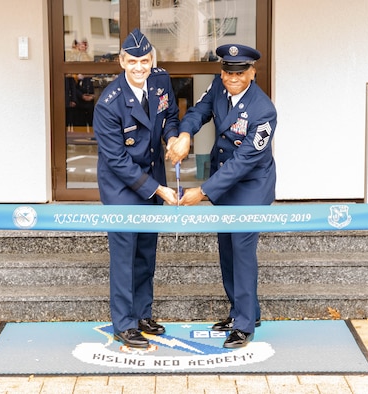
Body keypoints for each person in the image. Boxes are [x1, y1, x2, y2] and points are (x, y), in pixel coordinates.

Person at [167, 44, 277, 348]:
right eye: (229, 72)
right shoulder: (218, 87)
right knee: (227, 248)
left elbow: (245, 161)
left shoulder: (263, 111)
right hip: (225, 182)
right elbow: (198, 112)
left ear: (252, 72)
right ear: (222, 71)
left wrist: (202, 191)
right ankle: (245, 311)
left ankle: (243, 325)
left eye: (240, 72)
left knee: (241, 249)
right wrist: (186, 134)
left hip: (251, 185)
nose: (233, 78)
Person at [92, 29, 181, 348]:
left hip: (152, 174)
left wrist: (172, 136)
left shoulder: (160, 81)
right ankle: (124, 323)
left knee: (146, 251)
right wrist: (158, 190)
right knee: (124, 255)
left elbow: (170, 115)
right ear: (121, 62)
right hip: (122, 187)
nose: (140, 67)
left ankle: (142, 314)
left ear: (152, 60)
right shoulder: (108, 104)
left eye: (145, 60)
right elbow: (116, 161)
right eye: (133, 61)